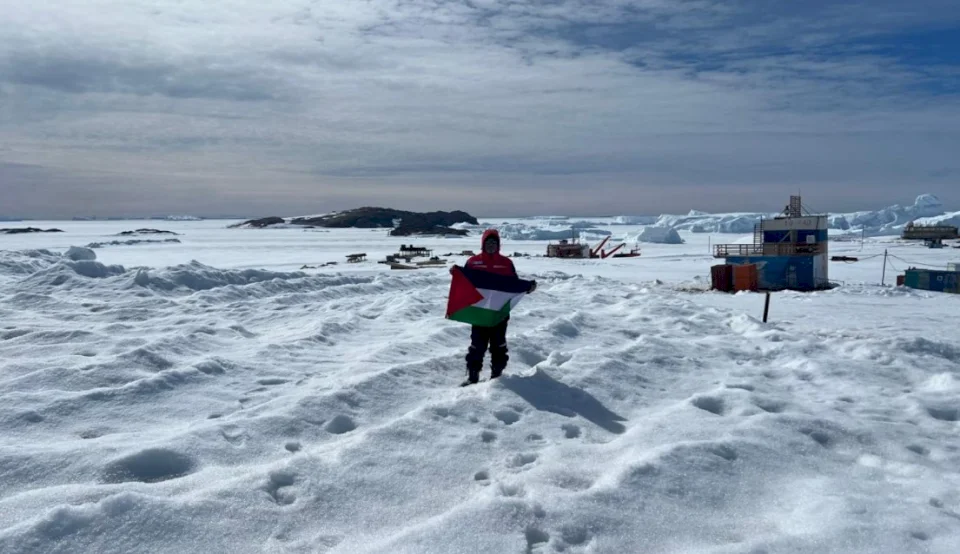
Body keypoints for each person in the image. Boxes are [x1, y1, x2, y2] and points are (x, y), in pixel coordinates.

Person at [460, 229, 536, 385]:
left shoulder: (506, 263)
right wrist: (456, 275)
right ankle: (473, 375)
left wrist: (528, 287)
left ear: (499, 245)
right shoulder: (473, 262)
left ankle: (497, 375)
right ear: (482, 244)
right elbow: (464, 283)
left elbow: (513, 285)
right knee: (477, 345)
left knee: (498, 344)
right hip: (479, 312)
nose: (491, 246)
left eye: (494, 243)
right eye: (488, 242)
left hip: (499, 312)